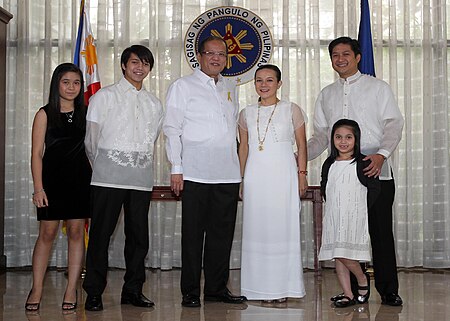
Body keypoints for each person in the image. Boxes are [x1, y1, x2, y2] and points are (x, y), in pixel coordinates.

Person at [308, 36, 404, 306]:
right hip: (340, 177)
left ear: (358, 56)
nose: (340, 59)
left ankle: (388, 291)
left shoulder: (378, 88)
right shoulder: (326, 94)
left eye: (346, 54)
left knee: (380, 233)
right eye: (335, 55)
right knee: (345, 233)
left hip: (375, 171)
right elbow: (320, 137)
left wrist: (381, 155)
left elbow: (394, 125)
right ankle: (351, 293)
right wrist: (296, 157)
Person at [163, 36, 246, 308]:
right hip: (194, 173)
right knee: (193, 236)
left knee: (222, 236)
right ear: (199, 56)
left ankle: (216, 288)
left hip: (228, 173)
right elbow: (172, 129)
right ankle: (190, 291)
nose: (216, 58)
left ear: (226, 58)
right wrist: (177, 168)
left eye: (221, 54)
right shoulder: (182, 86)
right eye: (210, 53)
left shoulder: (230, 87)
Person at [83, 45, 163, 311]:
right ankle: (93, 292)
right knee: (100, 236)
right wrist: (105, 166)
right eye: (134, 62)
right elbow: (91, 141)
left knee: (139, 238)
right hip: (108, 178)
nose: (140, 68)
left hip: (140, 179)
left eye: (145, 63)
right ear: (123, 65)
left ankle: (133, 290)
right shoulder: (104, 97)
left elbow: (151, 140)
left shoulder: (154, 103)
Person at [238, 64, 307, 303]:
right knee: (258, 229)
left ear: (279, 83)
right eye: (259, 80)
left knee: (282, 229)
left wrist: (302, 174)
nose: (264, 84)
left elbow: (302, 145)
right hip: (256, 177)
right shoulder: (245, 113)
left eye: (269, 80)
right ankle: (258, 288)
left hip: (284, 176)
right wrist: (241, 179)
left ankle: (283, 288)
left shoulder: (292, 110)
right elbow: (243, 147)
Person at [26, 63, 92, 312]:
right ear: (57, 84)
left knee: (76, 233)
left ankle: (70, 289)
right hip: (51, 183)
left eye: (76, 82)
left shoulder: (87, 112)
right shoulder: (44, 113)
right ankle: (37, 289)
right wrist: (38, 188)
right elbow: (36, 154)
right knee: (47, 234)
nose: (71, 87)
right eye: (66, 82)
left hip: (80, 181)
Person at [319, 119, 381, 308]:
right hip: (334, 216)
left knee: (347, 254)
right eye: (338, 137)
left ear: (356, 139)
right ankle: (348, 294)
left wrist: (361, 208)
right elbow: (325, 186)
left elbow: (375, 188)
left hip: (354, 216)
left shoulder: (362, 163)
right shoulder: (329, 163)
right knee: (338, 255)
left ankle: (362, 279)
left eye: (348, 137)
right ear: (333, 139)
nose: (343, 141)